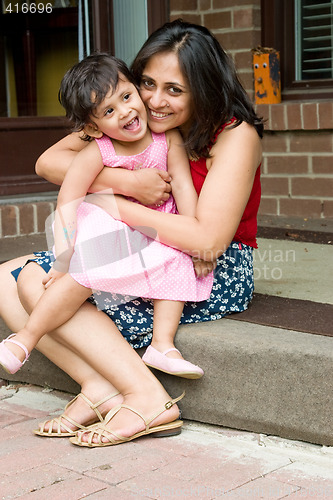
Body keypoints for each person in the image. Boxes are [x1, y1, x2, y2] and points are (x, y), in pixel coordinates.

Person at [0, 19, 263, 447]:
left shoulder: (235, 135)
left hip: (208, 266)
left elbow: (207, 241)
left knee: (32, 280)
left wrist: (112, 204)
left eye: (174, 90)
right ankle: (99, 387)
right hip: (138, 244)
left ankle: (145, 397)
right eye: (146, 83)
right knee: (2, 278)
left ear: (205, 87)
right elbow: (48, 163)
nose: (154, 101)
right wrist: (125, 183)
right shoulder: (127, 121)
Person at [0, 53, 210, 380]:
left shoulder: (167, 138)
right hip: (108, 226)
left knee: (178, 261)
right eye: (109, 111)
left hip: (153, 227)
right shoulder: (97, 151)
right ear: (92, 127)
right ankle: (24, 339)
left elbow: (183, 186)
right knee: (85, 271)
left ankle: (162, 345)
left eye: (127, 97)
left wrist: (196, 240)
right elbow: (68, 200)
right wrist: (63, 256)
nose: (125, 111)